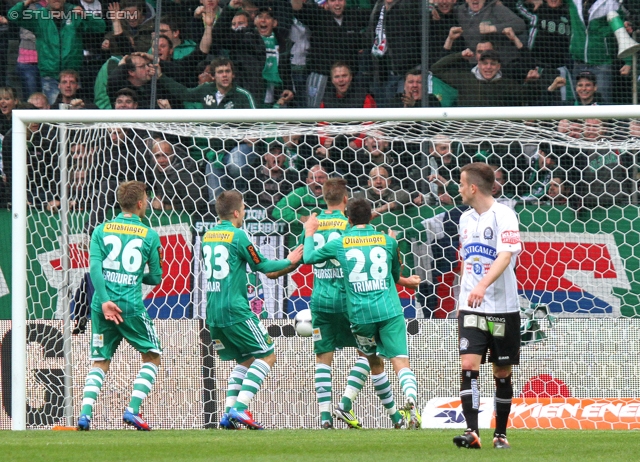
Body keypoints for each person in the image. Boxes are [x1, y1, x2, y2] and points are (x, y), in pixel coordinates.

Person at [303, 197, 422, 429]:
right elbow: (394, 275)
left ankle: (344, 408)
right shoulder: (388, 241)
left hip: (359, 315)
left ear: (348, 219)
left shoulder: (341, 242)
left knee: (372, 361)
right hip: (389, 310)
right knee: (400, 360)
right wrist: (408, 280)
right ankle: (410, 400)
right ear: (371, 217)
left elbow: (308, 258)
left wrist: (309, 233)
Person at [203, 190, 303, 429]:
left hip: (212, 312)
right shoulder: (238, 235)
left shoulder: (208, 235)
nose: (245, 213)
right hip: (235, 310)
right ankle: (240, 408)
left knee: (245, 358)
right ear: (237, 212)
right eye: (244, 209)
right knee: (268, 354)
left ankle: (228, 415)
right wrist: (290, 260)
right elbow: (263, 266)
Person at [77, 181, 164, 431]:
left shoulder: (100, 230)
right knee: (152, 356)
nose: (146, 203)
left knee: (100, 361)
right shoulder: (149, 234)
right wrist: (135, 275)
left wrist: (105, 301)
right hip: (130, 306)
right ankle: (132, 410)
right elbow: (156, 278)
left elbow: (95, 269)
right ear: (140, 203)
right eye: (146, 199)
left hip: (101, 306)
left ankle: (84, 416)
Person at [453, 162, 522, 450]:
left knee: (501, 372)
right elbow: (466, 263)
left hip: (502, 308)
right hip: (471, 308)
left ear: (472, 187)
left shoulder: (504, 215)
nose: (457, 188)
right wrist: (462, 300)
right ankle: (472, 432)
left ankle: (501, 434)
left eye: (460, 182)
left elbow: (506, 256)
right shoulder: (465, 219)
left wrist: (483, 286)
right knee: (469, 365)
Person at [299, 178, 372, 429]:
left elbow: (305, 255)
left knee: (323, 357)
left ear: (323, 199)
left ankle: (324, 417)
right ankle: (345, 403)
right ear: (345, 200)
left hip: (320, 300)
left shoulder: (313, 224)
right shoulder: (349, 225)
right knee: (369, 352)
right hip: (350, 299)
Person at [8, 0, 106, 105]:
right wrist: (28, 1)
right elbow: (13, 15)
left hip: (72, 76)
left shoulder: (75, 13)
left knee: (75, 112)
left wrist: (85, 15)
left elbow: (101, 26)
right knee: (53, 116)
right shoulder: (39, 16)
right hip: (50, 75)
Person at [431, 49, 522, 106]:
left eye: (493, 64)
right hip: (467, 131)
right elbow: (436, 69)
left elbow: (523, 98)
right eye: (485, 63)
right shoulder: (465, 78)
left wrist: (531, 82)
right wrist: (459, 55)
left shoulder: (508, 84)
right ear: (478, 64)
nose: (488, 67)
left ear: (499, 66)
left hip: (497, 132)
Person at [272, 164, 329, 246]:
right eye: (312, 178)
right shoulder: (300, 193)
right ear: (307, 181)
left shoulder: (332, 195)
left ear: (327, 179)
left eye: (321, 177)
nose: (317, 180)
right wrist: (301, 218)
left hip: (325, 245)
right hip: (299, 245)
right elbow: (277, 211)